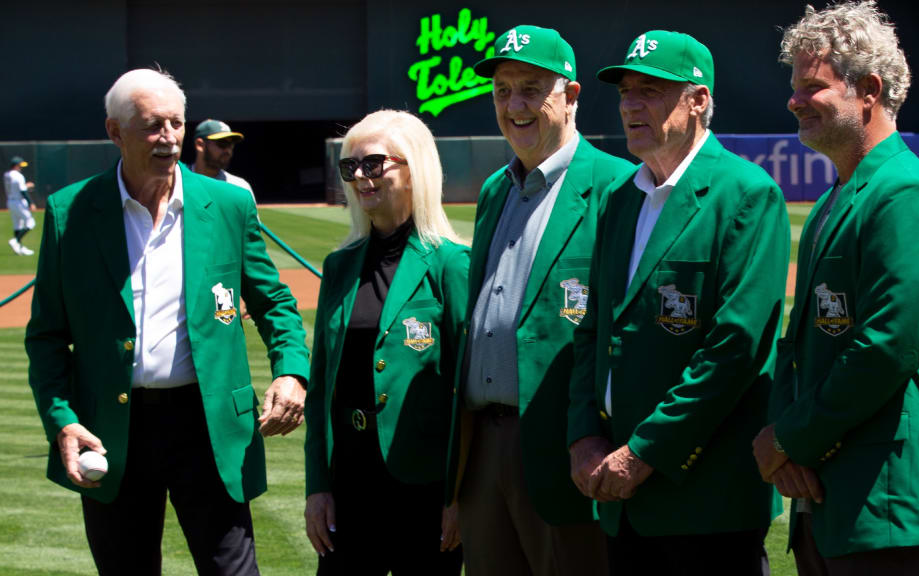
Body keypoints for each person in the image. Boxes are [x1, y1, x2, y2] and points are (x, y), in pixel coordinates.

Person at [24, 68, 310, 576]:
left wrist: (291, 371)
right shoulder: (72, 212)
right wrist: (62, 419)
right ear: (115, 132)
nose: (170, 137)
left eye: (177, 123)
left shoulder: (228, 203)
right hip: (112, 431)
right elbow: (47, 335)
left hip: (209, 425)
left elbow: (274, 302)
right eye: (153, 125)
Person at [753, 3, 919, 574]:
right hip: (833, 495)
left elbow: (886, 347)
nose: (794, 100)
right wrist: (785, 444)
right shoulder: (841, 195)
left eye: (813, 86)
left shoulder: (907, 192)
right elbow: (798, 341)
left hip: (887, 501)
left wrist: (789, 439)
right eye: (795, 85)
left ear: (869, 90)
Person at [566, 30, 789, 574]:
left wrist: (644, 451)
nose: (631, 105)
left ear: (699, 100)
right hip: (623, 500)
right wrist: (583, 437)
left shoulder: (747, 194)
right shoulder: (621, 199)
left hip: (706, 499)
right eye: (625, 93)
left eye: (651, 91)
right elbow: (593, 332)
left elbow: (734, 350)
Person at [444, 24, 635, 576]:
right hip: (484, 448)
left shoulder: (616, 185)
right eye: (503, 90)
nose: (515, 104)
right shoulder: (493, 191)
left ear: (570, 95)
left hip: (564, 446)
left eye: (531, 88)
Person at [304, 109, 468, 575]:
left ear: (414, 168)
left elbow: (465, 393)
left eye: (373, 164)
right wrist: (318, 486)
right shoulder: (340, 266)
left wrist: (457, 496)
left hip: (426, 487)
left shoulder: (450, 265)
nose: (359, 177)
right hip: (350, 482)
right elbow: (321, 391)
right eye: (349, 167)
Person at [191, 118, 254, 199]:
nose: (228, 151)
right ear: (200, 144)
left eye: (230, 145)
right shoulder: (178, 182)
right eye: (222, 143)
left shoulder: (240, 188)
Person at [5, 155, 36, 255]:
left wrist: (25, 186)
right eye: (19, 165)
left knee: (17, 225)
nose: (21, 167)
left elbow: (16, 187)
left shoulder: (7, 174)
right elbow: (22, 191)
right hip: (19, 202)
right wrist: (31, 203)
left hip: (10, 201)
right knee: (31, 223)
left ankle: (19, 248)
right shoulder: (18, 176)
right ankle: (16, 241)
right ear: (15, 165)